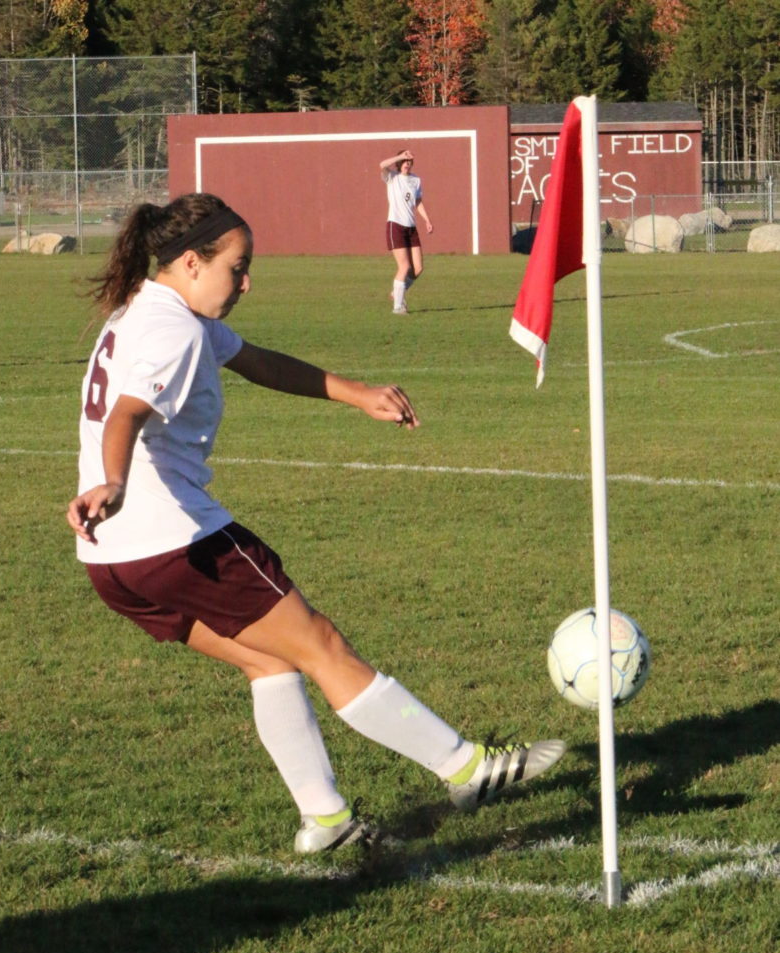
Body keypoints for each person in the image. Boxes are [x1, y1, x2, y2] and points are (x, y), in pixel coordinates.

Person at [66, 192, 565, 855]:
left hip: (113, 563)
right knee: (322, 648)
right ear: (191, 261)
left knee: (270, 663)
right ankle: (467, 769)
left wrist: (357, 394)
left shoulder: (153, 309)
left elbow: (257, 361)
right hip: (177, 541)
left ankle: (325, 821)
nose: (247, 282)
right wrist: (116, 483)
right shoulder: (173, 330)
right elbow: (126, 414)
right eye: (237, 268)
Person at [379, 149, 433, 315]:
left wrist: (427, 220)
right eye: (404, 161)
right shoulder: (392, 177)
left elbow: (417, 202)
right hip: (396, 225)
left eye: (409, 161)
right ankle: (398, 306)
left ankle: (397, 293)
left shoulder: (416, 180)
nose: (407, 163)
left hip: (411, 227)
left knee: (417, 268)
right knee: (404, 266)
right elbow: (381, 165)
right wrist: (401, 155)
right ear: (400, 163)